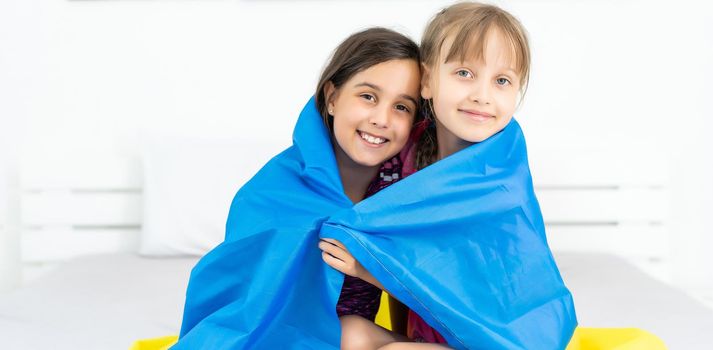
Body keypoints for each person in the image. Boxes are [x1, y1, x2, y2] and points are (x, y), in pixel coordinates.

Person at [318, 2, 540, 348]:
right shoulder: (408, 153)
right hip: (430, 335)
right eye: (464, 73)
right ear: (427, 81)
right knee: (349, 331)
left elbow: (473, 287)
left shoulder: (497, 183)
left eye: (502, 81)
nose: (482, 96)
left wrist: (372, 270)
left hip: (494, 340)